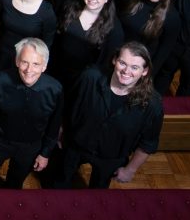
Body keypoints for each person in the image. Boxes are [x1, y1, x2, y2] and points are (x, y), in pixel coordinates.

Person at [55, 42, 163, 188]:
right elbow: (68, 105)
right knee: (59, 183)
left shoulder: (152, 104)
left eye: (135, 67)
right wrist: (61, 130)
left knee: (97, 194)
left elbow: (148, 143)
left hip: (110, 157)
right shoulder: (90, 77)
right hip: (76, 145)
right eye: (122, 63)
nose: (126, 71)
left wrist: (130, 170)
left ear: (144, 71)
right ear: (114, 60)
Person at [0, 38, 63, 188]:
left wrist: (45, 153)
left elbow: (54, 126)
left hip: (31, 146)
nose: (29, 70)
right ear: (17, 61)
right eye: (24, 62)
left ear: (44, 66)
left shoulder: (55, 90)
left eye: (36, 64)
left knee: (15, 185)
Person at [50, 0, 124, 93]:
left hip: (84, 80)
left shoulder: (114, 27)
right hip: (57, 70)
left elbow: (107, 62)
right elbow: (55, 38)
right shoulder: (69, 8)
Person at [120, 0, 180, 78]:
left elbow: (163, 51)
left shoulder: (172, 16)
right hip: (118, 56)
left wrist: (147, 76)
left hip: (138, 67)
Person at [155, 0, 190, 96]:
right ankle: (149, 107)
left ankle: (180, 112)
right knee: (163, 75)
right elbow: (169, 17)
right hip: (175, 45)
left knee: (189, 85)